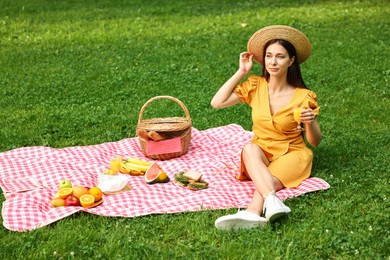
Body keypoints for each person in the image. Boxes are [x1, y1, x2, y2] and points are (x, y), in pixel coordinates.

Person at [211, 25, 321, 230]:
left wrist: (310, 122)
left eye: (280, 56)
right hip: (261, 150)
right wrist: (241, 71)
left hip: (292, 152)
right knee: (249, 149)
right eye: (269, 55)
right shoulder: (255, 86)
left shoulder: (303, 96)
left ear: (291, 60)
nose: (273, 61)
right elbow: (217, 102)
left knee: (265, 178)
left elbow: (314, 141)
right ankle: (272, 200)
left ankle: (253, 211)